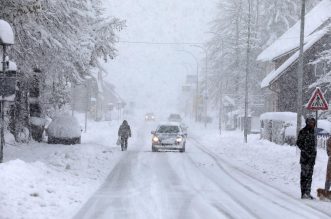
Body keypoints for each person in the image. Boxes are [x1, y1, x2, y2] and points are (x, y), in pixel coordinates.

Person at [296, 117, 317, 199]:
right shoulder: (303, 131)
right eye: (310, 122)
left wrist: (313, 154)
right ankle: (303, 193)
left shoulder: (313, 132)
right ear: (307, 123)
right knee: (304, 176)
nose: (312, 124)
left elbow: (313, 145)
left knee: (310, 176)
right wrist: (305, 150)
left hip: (312, 159)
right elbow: (298, 143)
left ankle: (308, 192)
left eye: (313, 123)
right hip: (305, 158)